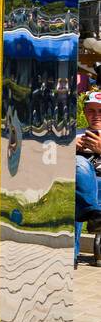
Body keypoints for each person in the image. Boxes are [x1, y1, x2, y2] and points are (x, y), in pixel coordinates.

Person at [76, 92, 101, 232]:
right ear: (85, 112)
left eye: (100, 111)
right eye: (91, 110)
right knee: (79, 162)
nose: (96, 115)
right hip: (78, 184)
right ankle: (93, 215)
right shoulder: (73, 134)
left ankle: (93, 214)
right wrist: (67, 149)